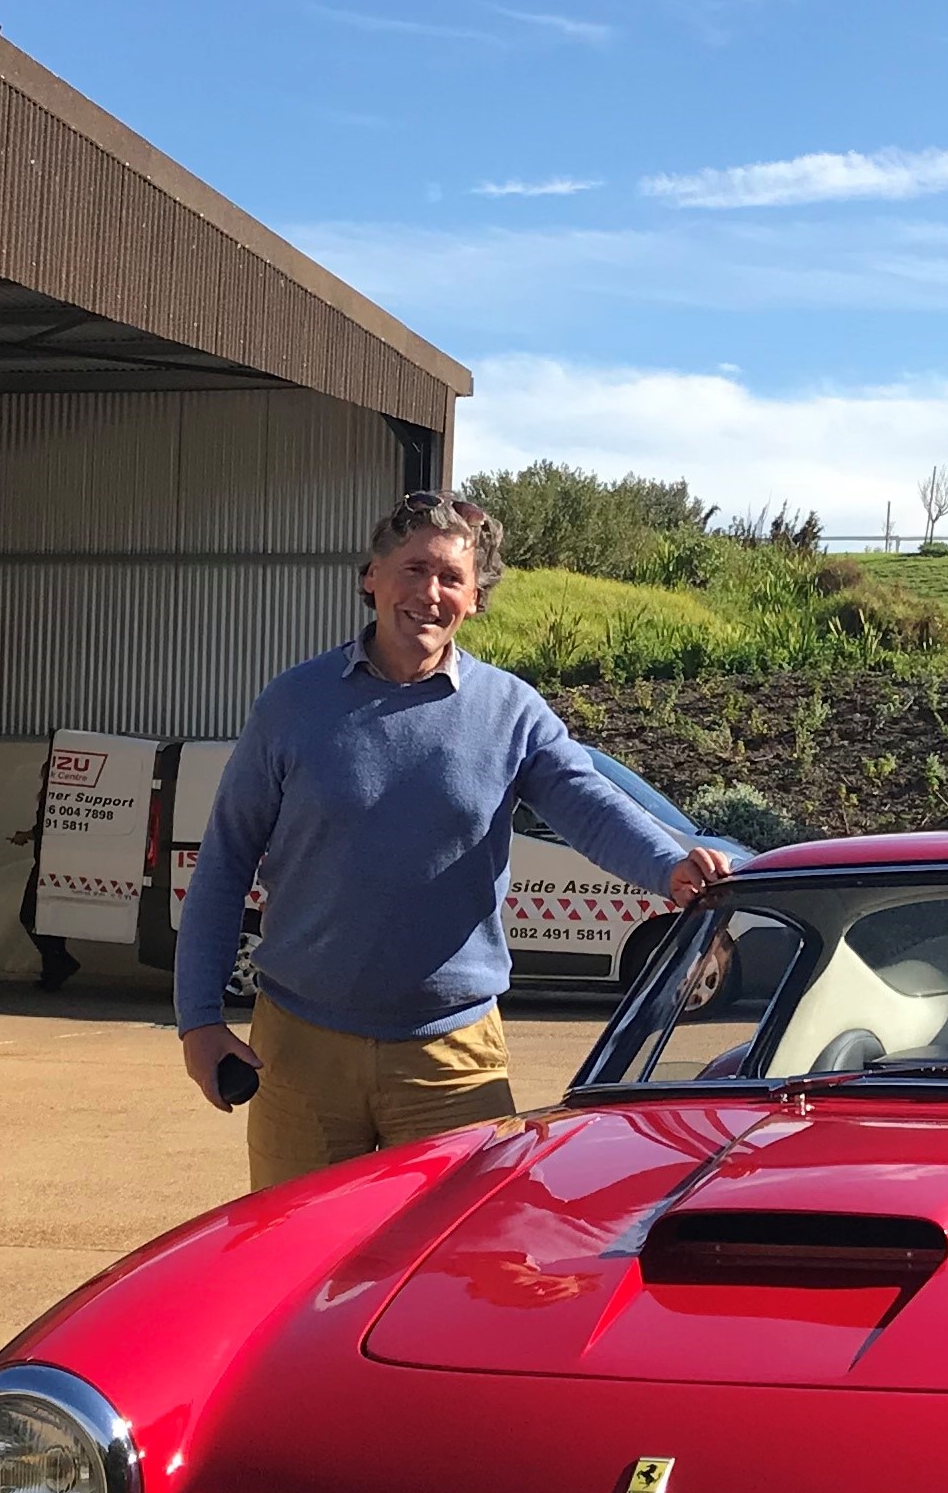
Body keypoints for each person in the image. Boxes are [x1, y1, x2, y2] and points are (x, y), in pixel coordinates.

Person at [175, 489, 730, 1189]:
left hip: (453, 1057)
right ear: (371, 577)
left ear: (474, 600)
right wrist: (198, 1020)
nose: (428, 593)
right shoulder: (292, 704)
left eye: (450, 578)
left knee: (455, 1270)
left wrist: (668, 862)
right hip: (301, 1054)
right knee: (303, 1271)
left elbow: (587, 805)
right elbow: (225, 861)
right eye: (412, 569)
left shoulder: (510, 712)